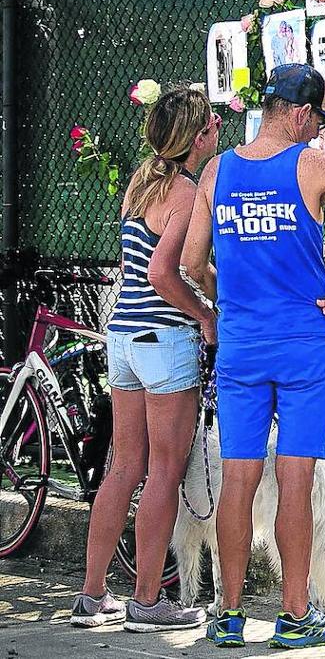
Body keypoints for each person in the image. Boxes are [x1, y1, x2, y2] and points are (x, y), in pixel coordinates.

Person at [182, 65, 325, 648]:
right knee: (296, 480)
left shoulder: (216, 170)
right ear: (300, 113)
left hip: (242, 346)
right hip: (305, 345)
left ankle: (227, 615)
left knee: (238, 479)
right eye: (318, 121)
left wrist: (229, 295)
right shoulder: (316, 167)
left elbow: (188, 261)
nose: (319, 133)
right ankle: (296, 616)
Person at [71, 86, 220, 631]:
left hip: (124, 337)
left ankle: (92, 596)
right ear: (200, 135)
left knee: (125, 466)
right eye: (212, 121)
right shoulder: (185, 190)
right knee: (163, 472)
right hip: (163, 336)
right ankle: (148, 601)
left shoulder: (143, 179)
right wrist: (206, 315)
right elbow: (163, 272)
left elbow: (148, 264)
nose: (219, 125)